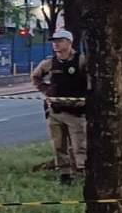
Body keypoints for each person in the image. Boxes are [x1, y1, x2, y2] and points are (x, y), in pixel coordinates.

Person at [30, 29, 88, 185]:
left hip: (76, 112)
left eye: (59, 41)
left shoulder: (81, 61)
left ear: (69, 42)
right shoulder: (49, 63)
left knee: (79, 145)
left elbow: (91, 81)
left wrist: (86, 98)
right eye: (54, 42)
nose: (55, 44)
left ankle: (82, 172)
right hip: (56, 111)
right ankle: (64, 174)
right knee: (58, 145)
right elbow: (35, 77)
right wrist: (46, 90)